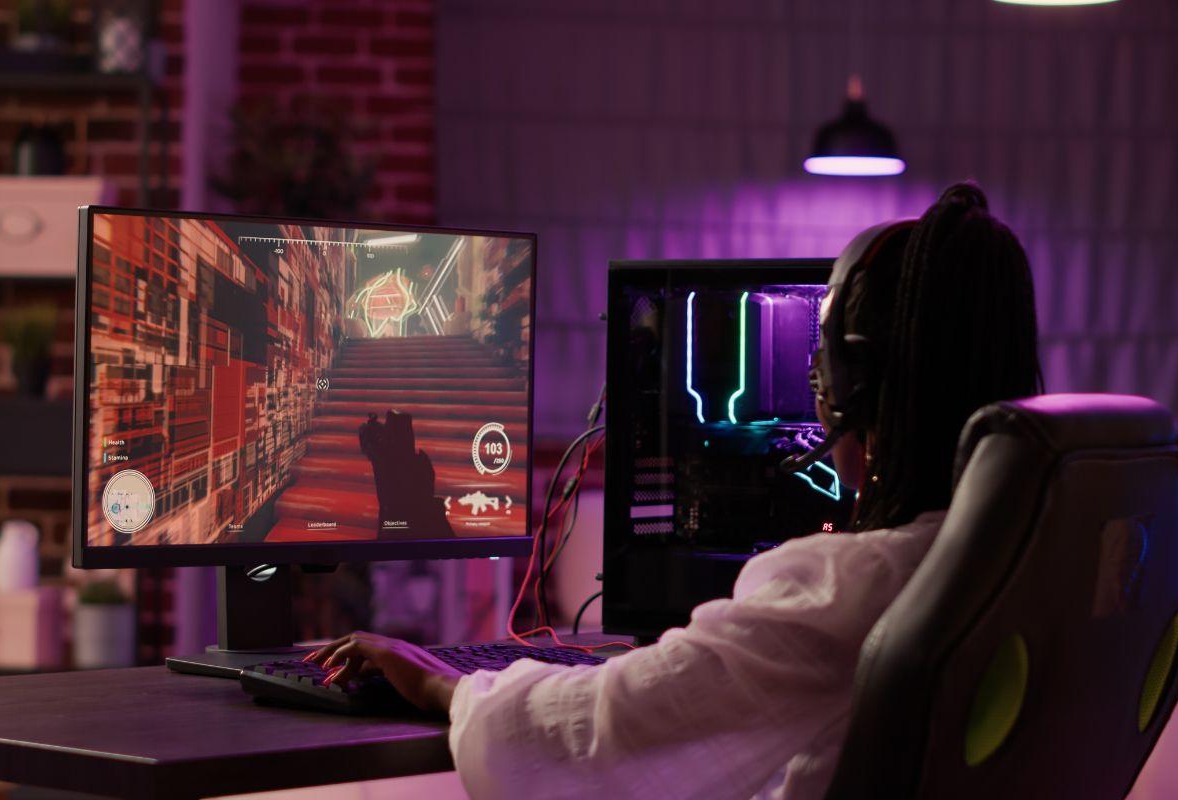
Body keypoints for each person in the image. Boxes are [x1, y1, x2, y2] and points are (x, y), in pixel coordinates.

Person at [307, 183, 1043, 800]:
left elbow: (600, 727)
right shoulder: (1025, 553)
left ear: (851, 385)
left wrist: (442, 686)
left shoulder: (853, 588)